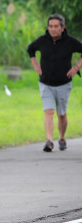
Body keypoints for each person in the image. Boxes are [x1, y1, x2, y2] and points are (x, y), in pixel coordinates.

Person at [27, 14, 82, 152]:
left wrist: (76, 68)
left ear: (62, 28)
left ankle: (62, 138)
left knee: (61, 113)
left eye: (56, 26)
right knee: (49, 111)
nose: (53, 29)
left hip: (64, 83)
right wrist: (36, 65)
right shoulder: (43, 41)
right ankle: (49, 140)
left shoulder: (70, 42)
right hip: (45, 83)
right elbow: (30, 49)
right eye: (50, 26)